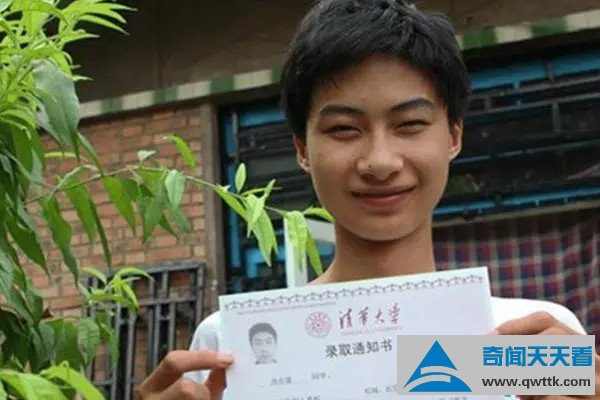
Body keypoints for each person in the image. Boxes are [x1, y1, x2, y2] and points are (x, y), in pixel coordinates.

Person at [134, 1, 599, 399]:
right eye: (344, 129)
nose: (380, 162)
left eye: (410, 124)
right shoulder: (232, 347)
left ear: (454, 135)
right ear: (302, 149)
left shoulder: (529, 342)